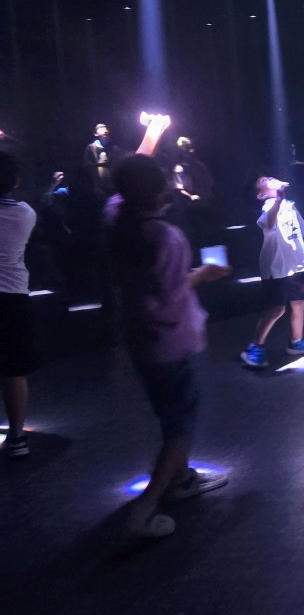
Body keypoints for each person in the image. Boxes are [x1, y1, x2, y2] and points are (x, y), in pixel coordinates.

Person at [107, 154, 231, 538]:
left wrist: (150, 138)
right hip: (174, 343)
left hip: (140, 341)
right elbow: (172, 293)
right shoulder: (167, 237)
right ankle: (146, 509)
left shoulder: (115, 220)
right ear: (157, 191)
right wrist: (204, 273)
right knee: (180, 427)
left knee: (168, 413)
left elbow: (121, 188)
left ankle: (181, 478)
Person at [240, 176, 304, 369]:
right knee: (277, 309)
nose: (269, 178)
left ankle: (296, 342)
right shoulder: (267, 208)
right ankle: (254, 347)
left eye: (269, 176)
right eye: (263, 180)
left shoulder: (290, 205)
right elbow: (270, 223)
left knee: (299, 303)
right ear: (261, 195)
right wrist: (279, 198)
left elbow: (303, 230)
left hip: (295, 264)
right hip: (276, 267)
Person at [1, 152, 40, 458]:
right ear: (14, 181)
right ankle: (17, 438)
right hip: (13, 296)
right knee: (13, 370)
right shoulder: (26, 213)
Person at [85, 123, 113, 188]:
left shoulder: (112, 147)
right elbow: (87, 164)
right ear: (95, 133)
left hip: (111, 180)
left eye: (105, 128)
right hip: (97, 182)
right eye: (101, 129)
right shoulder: (91, 147)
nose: (105, 130)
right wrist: (100, 164)